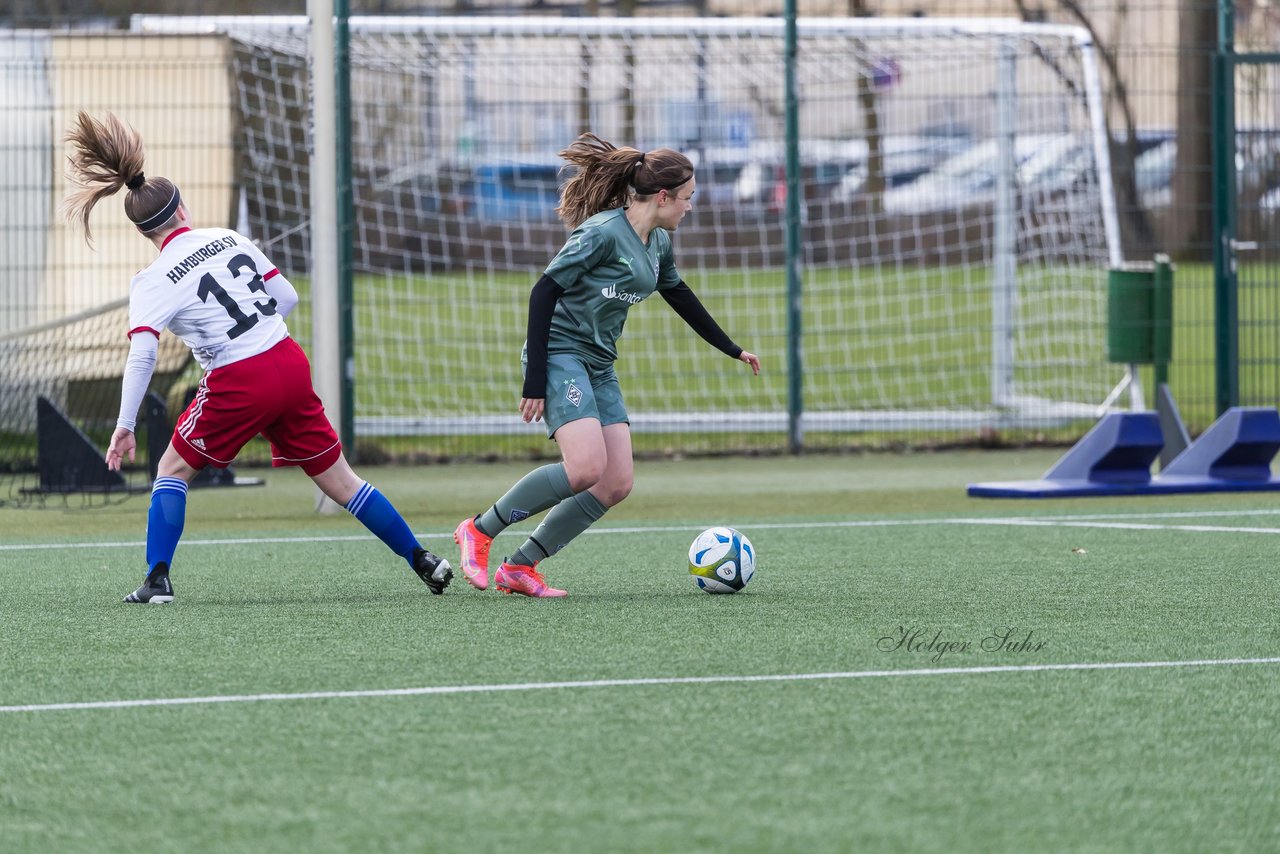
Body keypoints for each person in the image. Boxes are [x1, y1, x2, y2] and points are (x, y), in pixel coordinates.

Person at [61, 111, 452, 603]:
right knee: (340, 479)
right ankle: (422, 558)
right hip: (287, 360)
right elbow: (286, 297)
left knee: (172, 471)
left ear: (144, 232)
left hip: (239, 378)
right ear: (183, 209)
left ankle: (157, 580)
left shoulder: (153, 279)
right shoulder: (228, 238)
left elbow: (143, 353)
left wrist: (125, 423)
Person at [453, 133, 760, 598]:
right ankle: (478, 530)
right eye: (687, 198)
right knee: (584, 468)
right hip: (560, 353)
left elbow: (677, 293)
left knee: (616, 482)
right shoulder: (601, 233)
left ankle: (520, 567)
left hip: (598, 363)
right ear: (663, 197)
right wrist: (535, 377)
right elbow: (544, 292)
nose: (689, 208)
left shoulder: (657, 241)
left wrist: (731, 348)